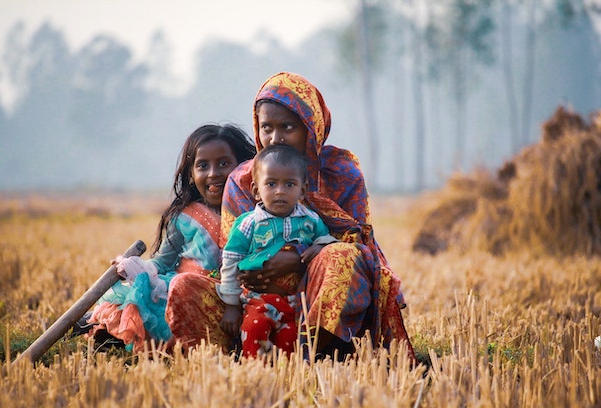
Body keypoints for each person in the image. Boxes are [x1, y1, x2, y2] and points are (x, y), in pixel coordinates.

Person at [166, 71, 414, 362]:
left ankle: (316, 353)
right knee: (184, 287)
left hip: (314, 292)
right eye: (266, 127)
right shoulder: (242, 179)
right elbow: (232, 256)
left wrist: (296, 260)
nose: (275, 138)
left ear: (312, 127)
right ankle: (237, 356)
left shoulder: (343, 173)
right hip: (253, 299)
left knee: (343, 257)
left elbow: (358, 243)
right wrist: (256, 276)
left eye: (287, 127)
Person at [72, 124, 256, 352]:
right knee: (142, 316)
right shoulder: (184, 216)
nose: (213, 173)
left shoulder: (255, 214)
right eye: (202, 166)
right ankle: (107, 332)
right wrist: (132, 267)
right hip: (183, 295)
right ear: (191, 173)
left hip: (229, 298)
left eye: (223, 164)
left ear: (242, 167)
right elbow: (162, 263)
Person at [218, 144, 337, 358]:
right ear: (256, 190)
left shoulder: (310, 220)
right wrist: (232, 305)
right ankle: (255, 375)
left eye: (289, 184)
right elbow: (230, 261)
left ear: (302, 189)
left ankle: (287, 381)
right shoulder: (248, 224)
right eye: (271, 184)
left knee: (291, 342)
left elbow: (327, 241)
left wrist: (318, 247)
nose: (280, 191)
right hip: (257, 300)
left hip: (295, 304)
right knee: (254, 330)